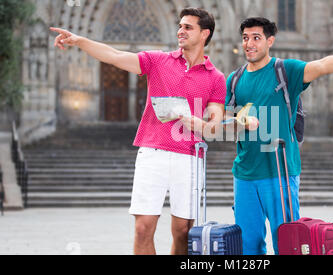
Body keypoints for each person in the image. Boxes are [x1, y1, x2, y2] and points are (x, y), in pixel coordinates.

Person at [50, 8, 227, 255]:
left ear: (205, 34)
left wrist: (201, 124)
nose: (180, 31)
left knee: (183, 231)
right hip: (152, 152)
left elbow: (215, 121)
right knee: (143, 228)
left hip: (189, 157)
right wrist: (79, 40)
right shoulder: (158, 61)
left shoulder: (216, 77)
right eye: (180, 25)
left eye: (188, 27)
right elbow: (113, 55)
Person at [226, 17, 333, 255]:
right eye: (245, 38)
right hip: (244, 173)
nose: (249, 44)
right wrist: (238, 122)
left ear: (270, 41)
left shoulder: (286, 70)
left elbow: (321, 65)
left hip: (280, 172)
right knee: (247, 246)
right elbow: (227, 123)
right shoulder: (234, 80)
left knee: (288, 244)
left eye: (256, 38)